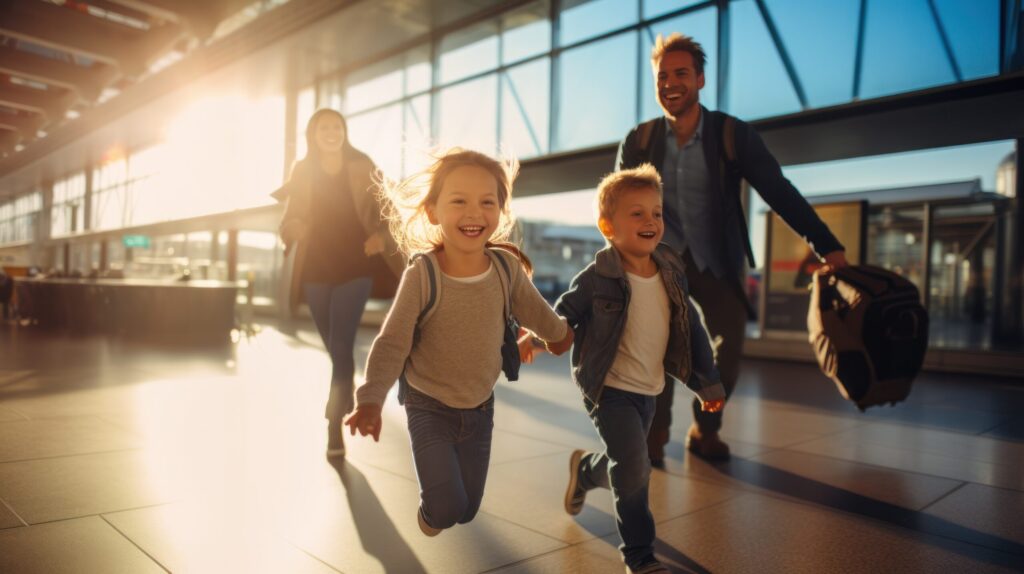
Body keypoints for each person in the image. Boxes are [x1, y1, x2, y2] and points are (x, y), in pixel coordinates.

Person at [616, 33, 849, 463]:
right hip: (660, 260)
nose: (670, 83)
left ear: (700, 79)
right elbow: (617, 206)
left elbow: (778, 191)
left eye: (681, 74)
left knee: (731, 346)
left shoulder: (731, 135)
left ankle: (705, 429)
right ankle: (655, 433)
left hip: (717, 260)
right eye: (662, 76)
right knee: (656, 346)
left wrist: (827, 245)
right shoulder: (641, 139)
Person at [345, 148, 574, 537]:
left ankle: (444, 509)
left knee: (466, 511)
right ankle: (431, 513)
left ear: (500, 211)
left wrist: (559, 335)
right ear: (433, 211)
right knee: (446, 508)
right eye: (459, 201)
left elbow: (538, 313)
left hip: (480, 407)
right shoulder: (423, 275)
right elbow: (393, 342)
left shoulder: (506, 270)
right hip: (427, 405)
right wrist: (370, 398)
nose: (474, 213)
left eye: (487, 202)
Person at [537, 165, 724, 574]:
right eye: (636, 213)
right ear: (608, 226)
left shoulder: (671, 272)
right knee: (636, 467)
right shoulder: (596, 278)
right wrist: (538, 339)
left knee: (627, 463)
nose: (650, 221)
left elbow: (691, 326)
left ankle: (585, 471)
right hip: (608, 388)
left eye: (656, 212)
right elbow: (561, 317)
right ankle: (639, 555)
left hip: (650, 389)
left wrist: (707, 383)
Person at [275, 108, 404, 458]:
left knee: (342, 344)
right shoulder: (303, 170)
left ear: (344, 131)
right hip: (316, 267)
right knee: (333, 344)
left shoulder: (363, 164)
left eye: (336, 126)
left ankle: (334, 425)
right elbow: (289, 218)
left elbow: (389, 210)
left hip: (356, 264)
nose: (331, 132)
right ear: (313, 135)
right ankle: (345, 388)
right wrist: (294, 228)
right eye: (324, 128)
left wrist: (381, 237)